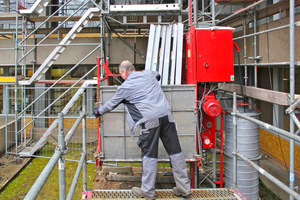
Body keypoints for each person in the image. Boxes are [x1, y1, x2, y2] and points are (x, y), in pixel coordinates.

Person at [94, 60, 191, 200]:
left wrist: (98, 112)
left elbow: (110, 105)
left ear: (124, 72)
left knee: (149, 156)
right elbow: (157, 75)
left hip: (150, 121)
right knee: (175, 152)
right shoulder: (148, 74)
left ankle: (147, 192)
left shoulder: (125, 87)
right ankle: (184, 189)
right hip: (166, 116)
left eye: (122, 75)